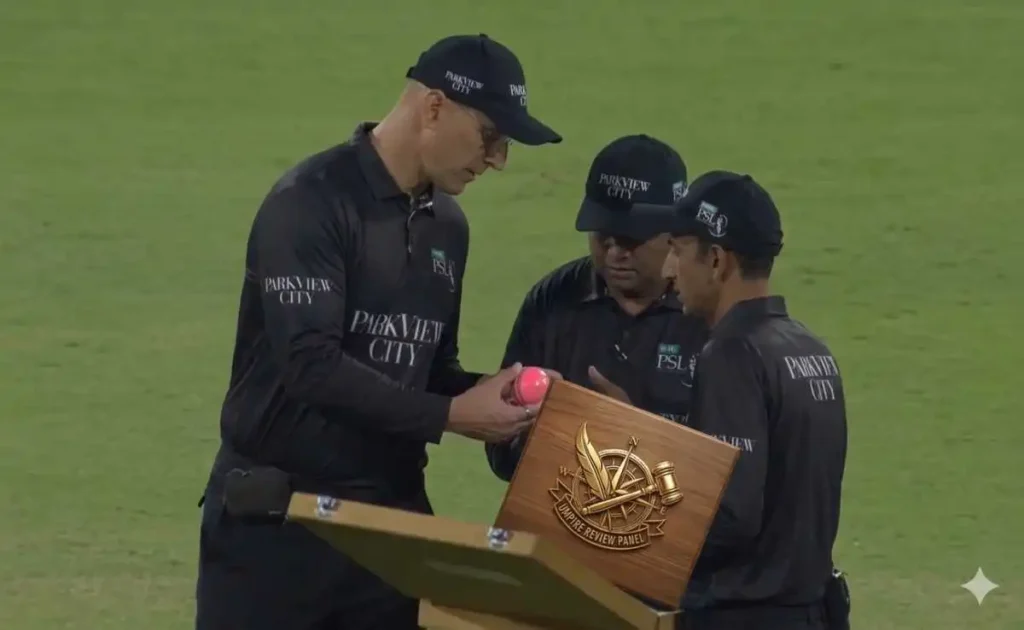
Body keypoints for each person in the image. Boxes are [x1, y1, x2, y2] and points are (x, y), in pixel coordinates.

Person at [193, 34, 562, 630]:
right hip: (278, 529)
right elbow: (310, 364)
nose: (498, 160)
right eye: (491, 137)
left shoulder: (448, 228)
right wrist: (449, 415)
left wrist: (494, 396)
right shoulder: (309, 203)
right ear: (435, 107)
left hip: (388, 533)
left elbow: (429, 369)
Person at [595, 170, 851, 629]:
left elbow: (729, 514)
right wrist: (648, 433)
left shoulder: (731, 354)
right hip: (810, 612)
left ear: (716, 260)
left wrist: (617, 531)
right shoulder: (811, 350)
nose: (670, 270)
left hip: (741, 616)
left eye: (677, 250)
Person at [485, 134, 711, 482]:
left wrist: (627, 431)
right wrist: (540, 432)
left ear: (674, 232)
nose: (614, 253)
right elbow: (501, 454)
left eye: (632, 238)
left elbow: (726, 482)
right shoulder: (553, 300)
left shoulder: (707, 314)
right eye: (603, 235)